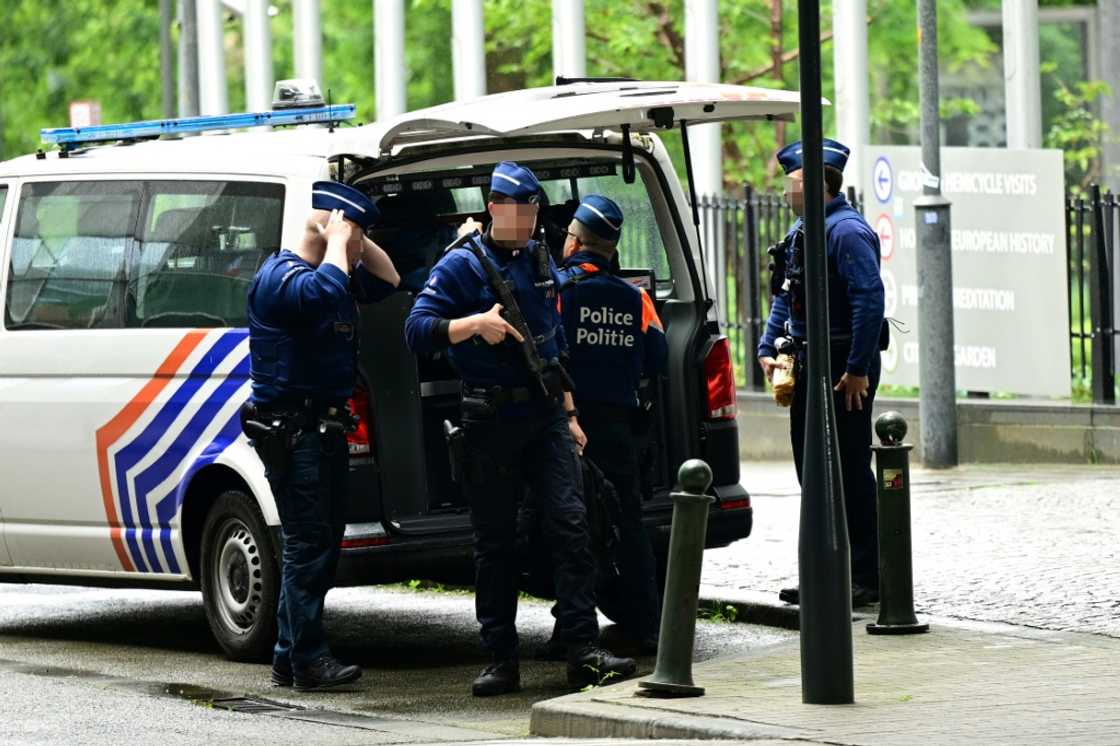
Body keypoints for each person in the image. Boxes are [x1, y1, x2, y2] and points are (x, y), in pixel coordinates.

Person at [404, 162, 637, 697]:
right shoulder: (461, 266)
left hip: (546, 414)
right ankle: (499, 658)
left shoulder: (538, 257)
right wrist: (472, 326)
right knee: (496, 542)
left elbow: (551, 343)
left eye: (535, 209)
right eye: (521, 209)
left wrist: (572, 413)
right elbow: (415, 330)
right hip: (489, 419)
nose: (531, 219)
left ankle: (581, 649)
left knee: (573, 525)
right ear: (494, 208)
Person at [245, 181, 399, 691]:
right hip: (294, 435)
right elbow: (324, 293)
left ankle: (291, 655)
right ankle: (307, 659)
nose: (355, 252)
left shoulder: (332, 270)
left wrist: (354, 234)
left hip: (323, 431)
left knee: (321, 545)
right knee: (307, 544)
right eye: (355, 238)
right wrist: (336, 237)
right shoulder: (281, 279)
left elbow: (389, 278)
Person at [756, 139, 885, 608]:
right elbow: (785, 293)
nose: (785, 192)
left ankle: (865, 575)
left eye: (791, 183)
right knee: (812, 471)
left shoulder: (846, 233)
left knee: (848, 470)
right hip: (810, 364)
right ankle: (823, 568)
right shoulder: (802, 230)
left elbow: (869, 302)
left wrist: (855, 371)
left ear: (813, 184)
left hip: (839, 367)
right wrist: (769, 345)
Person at [555, 195, 667, 652]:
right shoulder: (636, 297)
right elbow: (658, 357)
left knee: (570, 526)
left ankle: (571, 629)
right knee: (628, 521)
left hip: (569, 428)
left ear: (576, 240)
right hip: (620, 426)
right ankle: (647, 624)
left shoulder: (559, 292)